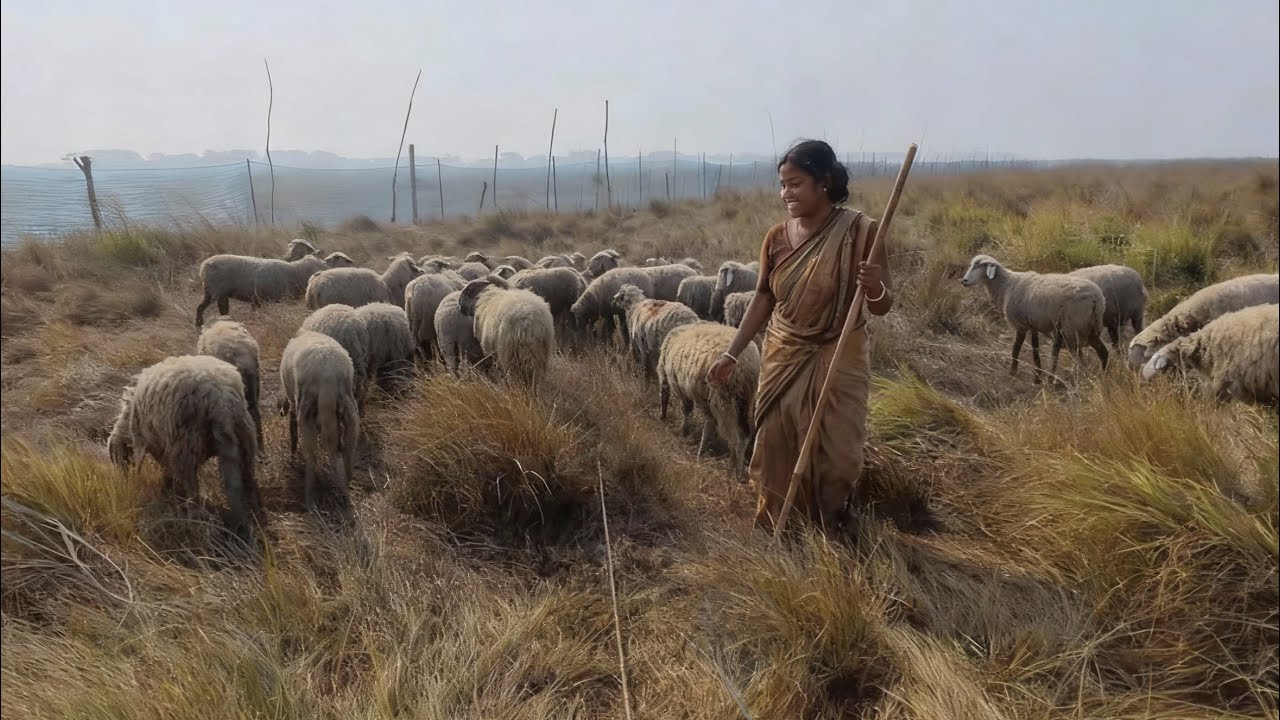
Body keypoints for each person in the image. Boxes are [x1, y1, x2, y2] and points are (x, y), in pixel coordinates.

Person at [706, 139, 894, 534]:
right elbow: (763, 297)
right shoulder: (775, 237)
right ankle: (780, 528)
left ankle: (828, 526)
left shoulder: (861, 231)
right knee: (775, 444)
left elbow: (881, 306)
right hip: (784, 352)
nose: (785, 193)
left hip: (838, 354)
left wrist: (874, 287)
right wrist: (732, 353)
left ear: (822, 182)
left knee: (837, 453)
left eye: (795, 183)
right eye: (782, 184)